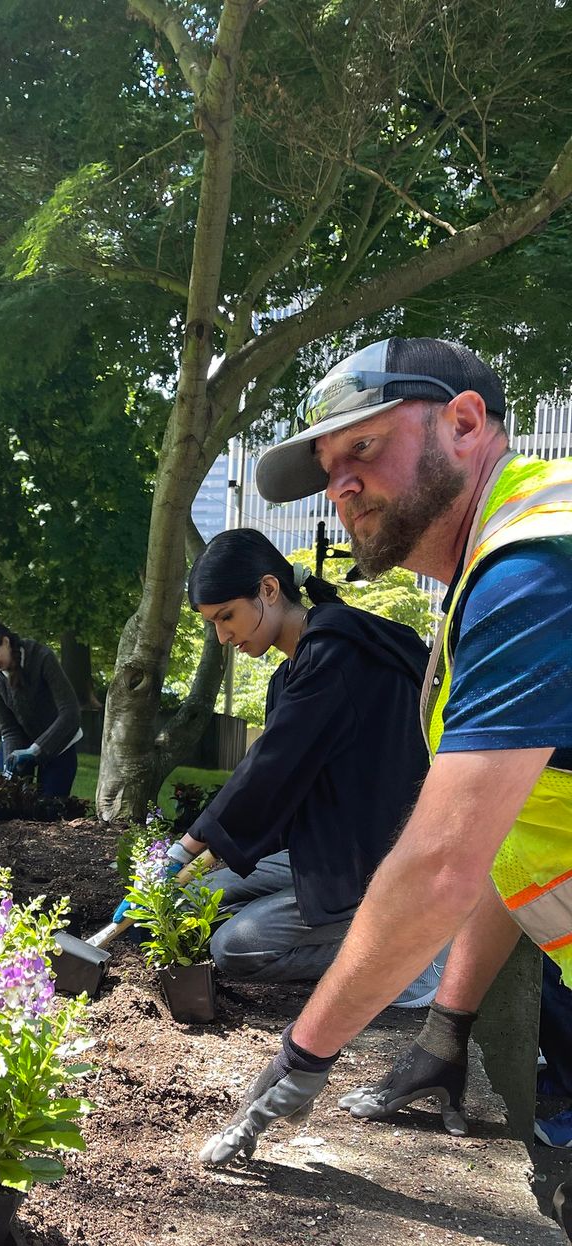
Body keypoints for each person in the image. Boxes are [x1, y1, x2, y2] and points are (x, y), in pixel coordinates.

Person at [199, 334, 572, 1167]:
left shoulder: (536, 567)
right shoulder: (495, 570)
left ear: (466, 423)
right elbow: (509, 842)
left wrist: (305, 1051)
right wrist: (448, 1029)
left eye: (364, 446)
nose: (342, 487)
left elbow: (439, 867)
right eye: (329, 469)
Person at [111, 529, 434, 993]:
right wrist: (202, 865)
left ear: (268, 589)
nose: (223, 636)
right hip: (328, 849)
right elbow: (287, 792)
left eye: (227, 617)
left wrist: (183, 850)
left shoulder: (336, 654)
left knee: (235, 946)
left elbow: (268, 769)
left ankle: (418, 954)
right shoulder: (290, 675)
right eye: (213, 624)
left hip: (378, 859)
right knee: (185, 903)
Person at [0, 620, 82, 797]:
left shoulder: (41, 657)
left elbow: (70, 714)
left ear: (5, 642)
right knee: (12, 802)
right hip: (20, 744)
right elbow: (9, 729)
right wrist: (13, 762)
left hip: (59, 743)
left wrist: (35, 750)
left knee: (49, 809)